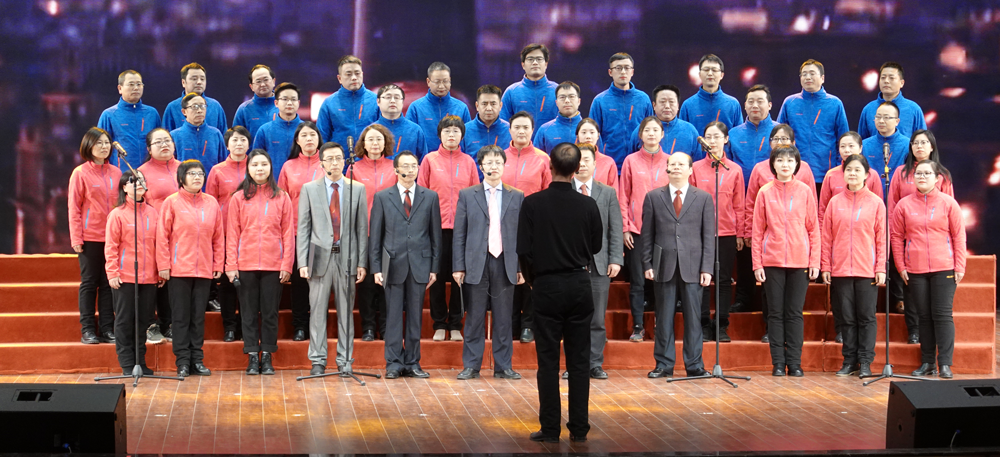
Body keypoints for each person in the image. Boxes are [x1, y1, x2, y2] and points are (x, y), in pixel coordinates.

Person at [517, 142, 602, 443]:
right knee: (579, 361)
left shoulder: (532, 204)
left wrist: (533, 281)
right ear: (577, 169)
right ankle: (579, 428)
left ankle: (550, 428)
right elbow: (595, 247)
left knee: (548, 361)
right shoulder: (588, 205)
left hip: (546, 285)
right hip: (579, 284)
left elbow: (523, 250)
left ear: (549, 166)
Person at [453, 145, 525, 380]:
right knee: (474, 316)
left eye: (498, 162)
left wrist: (521, 266)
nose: (494, 166)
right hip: (476, 261)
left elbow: (522, 234)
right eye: (489, 162)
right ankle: (471, 365)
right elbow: (460, 233)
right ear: (481, 166)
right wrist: (458, 266)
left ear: (504, 166)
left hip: (505, 261)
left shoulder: (517, 195)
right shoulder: (467, 194)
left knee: (504, 317)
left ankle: (503, 366)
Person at [369, 150, 442, 379]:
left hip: (420, 264)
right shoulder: (383, 197)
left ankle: (412, 362)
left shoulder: (430, 197)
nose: (410, 170)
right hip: (392, 264)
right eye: (405, 166)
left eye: (414, 166)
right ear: (396, 170)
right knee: (392, 316)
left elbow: (435, 235)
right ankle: (393, 363)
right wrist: (376, 268)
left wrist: (434, 268)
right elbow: (376, 236)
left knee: (415, 316)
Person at [298, 142, 368, 376]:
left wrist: (361, 262)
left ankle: (345, 359)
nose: (335, 163)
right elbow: (304, 228)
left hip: (347, 257)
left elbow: (361, 229)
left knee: (346, 311)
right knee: (317, 310)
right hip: (319, 258)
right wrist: (303, 262)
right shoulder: (309, 189)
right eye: (330, 159)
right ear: (322, 163)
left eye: (339, 158)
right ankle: (317, 360)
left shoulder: (357, 189)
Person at [642, 152, 714, 378]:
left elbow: (708, 236)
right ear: (666, 168)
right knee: (663, 317)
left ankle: (694, 365)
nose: (676, 167)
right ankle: (663, 364)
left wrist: (707, 268)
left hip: (693, 266)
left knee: (694, 318)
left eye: (681, 164)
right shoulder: (653, 197)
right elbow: (647, 234)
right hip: (664, 265)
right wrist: (647, 263)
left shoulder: (703, 198)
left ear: (691, 170)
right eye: (672, 164)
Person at [891, 160, 965, 379]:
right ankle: (927, 363)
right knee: (923, 316)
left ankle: (945, 364)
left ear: (937, 178)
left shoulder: (948, 203)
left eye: (926, 174)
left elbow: (959, 236)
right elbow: (896, 237)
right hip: (915, 268)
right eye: (918, 174)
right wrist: (901, 265)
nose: (922, 177)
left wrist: (960, 265)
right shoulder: (903, 205)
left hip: (944, 267)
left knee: (942, 315)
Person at [751, 145, 820, 377]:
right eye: (780, 160)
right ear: (773, 164)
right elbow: (757, 231)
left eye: (790, 160)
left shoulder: (805, 191)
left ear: (797, 165)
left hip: (800, 262)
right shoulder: (765, 192)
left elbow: (813, 229)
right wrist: (757, 264)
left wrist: (814, 261)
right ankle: (778, 363)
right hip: (772, 261)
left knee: (794, 313)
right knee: (775, 313)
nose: (785, 164)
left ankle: (795, 363)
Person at [225, 149, 294, 375]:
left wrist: (286, 264)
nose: (260, 169)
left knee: (270, 312)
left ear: (271, 167)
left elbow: (288, 233)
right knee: (248, 312)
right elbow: (232, 234)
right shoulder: (238, 198)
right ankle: (252, 355)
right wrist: (231, 265)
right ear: (248, 169)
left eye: (264, 164)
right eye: (255, 165)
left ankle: (267, 355)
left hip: (274, 265)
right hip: (245, 264)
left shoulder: (282, 197)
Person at [157, 160, 225, 377]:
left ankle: (197, 359)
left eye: (200, 173)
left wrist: (218, 263)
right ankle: (182, 362)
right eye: (192, 173)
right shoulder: (171, 203)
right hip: (178, 270)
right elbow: (162, 237)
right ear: (181, 178)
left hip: (204, 269)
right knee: (180, 317)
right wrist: (163, 265)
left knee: (198, 317)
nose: (197, 177)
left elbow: (218, 236)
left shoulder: (211, 203)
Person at [821, 154, 886, 378]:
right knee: (846, 317)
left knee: (866, 317)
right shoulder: (835, 202)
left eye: (857, 170)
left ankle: (866, 361)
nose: (852, 173)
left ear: (867, 174)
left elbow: (881, 239)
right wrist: (826, 266)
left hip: (867, 269)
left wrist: (880, 267)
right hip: (840, 269)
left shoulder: (876, 203)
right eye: (849, 170)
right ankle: (849, 361)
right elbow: (826, 237)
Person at [887, 130, 955, 344]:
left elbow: (950, 210)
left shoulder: (943, 174)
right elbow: (893, 206)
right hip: (907, 237)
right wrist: (896, 233)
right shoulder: (900, 173)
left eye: (924, 143)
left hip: (935, 243)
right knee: (910, 288)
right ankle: (914, 330)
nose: (919, 146)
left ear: (932, 147)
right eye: (915, 143)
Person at [418, 115, 481, 341]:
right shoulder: (429, 160)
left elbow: (475, 195)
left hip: (462, 230)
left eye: (456, 131)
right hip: (435, 228)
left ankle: (455, 323)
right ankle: (439, 323)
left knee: (459, 278)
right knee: (435, 276)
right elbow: (421, 193)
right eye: (447, 131)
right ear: (439, 135)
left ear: (462, 135)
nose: (451, 135)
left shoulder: (469, 162)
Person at [690, 122, 744, 343]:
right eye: (708, 137)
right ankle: (703, 324)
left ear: (726, 139)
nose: (712, 141)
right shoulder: (695, 168)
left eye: (717, 137)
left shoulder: (735, 170)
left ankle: (721, 324)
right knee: (702, 279)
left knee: (723, 280)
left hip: (726, 233)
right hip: (699, 233)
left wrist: (740, 233)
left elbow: (739, 205)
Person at [573, 143, 623, 379]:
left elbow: (615, 228)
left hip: (600, 263)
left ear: (595, 164)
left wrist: (615, 259)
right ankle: (574, 363)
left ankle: (594, 363)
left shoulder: (607, 192)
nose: (582, 164)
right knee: (572, 318)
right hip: (570, 264)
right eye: (578, 160)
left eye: (587, 160)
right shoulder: (564, 191)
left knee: (597, 318)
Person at [502, 111, 552, 343]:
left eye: (526, 127)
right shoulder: (500, 157)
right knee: (507, 274)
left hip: (534, 227)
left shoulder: (543, 159)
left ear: (533, 130)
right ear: (509, 130)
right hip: (503, 226)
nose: (521, 131)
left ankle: (528, 324)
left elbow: (549, 194)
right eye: (517, 127)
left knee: (530, 275)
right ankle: (510, 322)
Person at [105, 170, 161, 375]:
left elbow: (159, 245)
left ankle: (140, 362)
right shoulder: (117, 214)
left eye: (141, 180)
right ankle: (127, 363)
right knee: (124, 320)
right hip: (125, 276)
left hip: (149, 277)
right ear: (124, 187)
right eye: (133, 181)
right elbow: (111, 246)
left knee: (143, 321)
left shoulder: (153, 213)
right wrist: (112, 272)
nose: (138, 184)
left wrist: (159, 271)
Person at [619, 116, 669, 343]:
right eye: (647, 130)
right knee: (638, 281)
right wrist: (625, 227)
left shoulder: (670, 161)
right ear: (640, 135)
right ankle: (638, 326)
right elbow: (623, 196)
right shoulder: (630, 161)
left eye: (655, 130)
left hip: (663, 231)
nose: (651, 134)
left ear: (662, 134)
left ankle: (661, 325)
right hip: (636, 230)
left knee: (662, 280)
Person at [69, 127, 122, 344]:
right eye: (99, 143)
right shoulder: (80, 173)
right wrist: (76, 238)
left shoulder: (117, 172)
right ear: (88, 146)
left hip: (114, 237)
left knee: (109, 283)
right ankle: (88, 329)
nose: (104, 146)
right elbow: (74, 207)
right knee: (90, 282)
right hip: (90, 236)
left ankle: (108, 328)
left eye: (107, 142)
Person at [347, 123, 397, 340]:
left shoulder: (394, 167)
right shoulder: (353, 169)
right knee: (366, 282)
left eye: (379, 139)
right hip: (364, 232)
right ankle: (368, 326)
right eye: (371, 139)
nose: (375, 143)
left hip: (390, 233)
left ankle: (386, 327)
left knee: (388, 281)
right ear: (363, 144)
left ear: (385, 143)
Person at [277, 121, 325, 342]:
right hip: (296, 232)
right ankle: (299, 326)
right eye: (304, 135)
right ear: (297, 140)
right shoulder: (288, 167)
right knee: (298, 282)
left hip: (322, 233)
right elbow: (281, 201)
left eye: (312, 135)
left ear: (318, 139)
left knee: (319, 281)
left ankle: (318, 325)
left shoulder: (326, 164)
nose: (308, 139)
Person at [729, 84, 774, 314]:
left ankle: (770, 300)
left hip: (771, 200)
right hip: (741, 200)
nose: (755, 105)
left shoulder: (779, 132)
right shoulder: (734, 134)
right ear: (744, 106)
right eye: (750, 101)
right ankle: (744, 297)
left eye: (760, 101)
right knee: (745, 249)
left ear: (770, 105)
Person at [776, 59, 849, 192]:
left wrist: (839, 169)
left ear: (822, 78)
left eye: (812, 73)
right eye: (804, 74)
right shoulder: (790, 102)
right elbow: (778, 138)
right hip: (794, 173)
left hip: (825, 173)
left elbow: (844, 139)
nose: (807, 77)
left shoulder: (835, 103)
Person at [137, 128, 181, 343]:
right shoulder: (141, 172)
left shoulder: (184, 168)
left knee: (173, 280)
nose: (164, 145)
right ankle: (150, 324)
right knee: (156, 278)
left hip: (182, 235)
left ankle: (169, 323)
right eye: (158, 142)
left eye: (167, 141)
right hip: (153, 234)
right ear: (149, 148)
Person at [206, 126, 250, 342]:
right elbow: (210, 203)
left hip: (250, 234)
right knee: (227, 283)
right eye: (234, 140)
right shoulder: (217, 171)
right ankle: (230, 327)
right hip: (224, 233)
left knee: (247, 284)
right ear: (227, 145)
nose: (239, 143)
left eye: (243, 140)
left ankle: (245, 326)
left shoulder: (257, 166)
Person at [589, 52, 654, 169]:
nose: (623, 72)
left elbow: (652, 131)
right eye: (618, 68)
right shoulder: (600, 101)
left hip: (639, 166)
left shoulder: (643, 99)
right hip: (609, 165)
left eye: (627, 68)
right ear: (610, 72)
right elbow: (592, 135)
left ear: (632, 72)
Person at [818, 132, 884, 231]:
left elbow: (879, 210)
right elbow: (823, 210)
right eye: (842, 146)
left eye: (851, 146)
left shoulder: (872, 175)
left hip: (865, 231)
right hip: (838, 231)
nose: (847, 150)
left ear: (860, 148)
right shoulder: (831, 175)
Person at [98, 69, 161, 171]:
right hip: (120, 173)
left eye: (139, 84)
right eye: (131, 84)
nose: (136, 88)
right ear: (120, 88)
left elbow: (160, 142)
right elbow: (100, 147)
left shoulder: (152, 113)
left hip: (151, 172)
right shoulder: (109, 115)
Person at [316, 55, 379, 150]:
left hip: (369, 157)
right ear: (339, 78)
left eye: (357, 73)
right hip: (338, 158)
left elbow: (385, 134)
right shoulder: (329, 103)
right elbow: (322, 138)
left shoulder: (376, 101)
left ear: (362, 74)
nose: (354, 78)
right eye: (348, 74)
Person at [406, 62, 472, 151]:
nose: (441, 86)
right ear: (428, 82)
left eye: (445, 81)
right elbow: (409, 141)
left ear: (450, 81)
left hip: (455, 159)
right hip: (424, 159)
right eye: (437, 82)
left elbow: (468, 141)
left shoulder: (461, 107)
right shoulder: (416, 108)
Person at [499, 43, 559, 134]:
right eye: (530, 59)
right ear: (523, 65)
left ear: (546, 64)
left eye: (539, 59)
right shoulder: (511, 92)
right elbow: (502, 126)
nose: (535, 63)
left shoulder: (558, 92)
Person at [858, 62, 926, 140]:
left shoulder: (913, 109)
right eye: (883, 77)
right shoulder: (868, 109)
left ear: (902, 83)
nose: (886, 81)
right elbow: (861, 143)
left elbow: (923, 141)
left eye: (891, 78)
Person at [678, 54, 743, 135]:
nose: (710, 73)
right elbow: (683, 136)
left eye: (714, 70)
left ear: (722, 75)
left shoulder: (733, 104)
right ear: (699, 74)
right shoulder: (688, 105)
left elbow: (739, 136)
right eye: (706, 70)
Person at [630, 85, 698, 158]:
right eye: (662, 102)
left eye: (671, 102)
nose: (667, 106)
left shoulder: (690, 130)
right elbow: (632, 158)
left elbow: (697, 161)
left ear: (678, 106)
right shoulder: (642, 129)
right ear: (654, 105)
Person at [252, 82, 304, 178]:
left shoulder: (307, 130)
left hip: (301, 184)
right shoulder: (265, 130)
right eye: (285, 99)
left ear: (298, 103)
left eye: (293, 99)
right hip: (272, 184)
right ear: (276, 103)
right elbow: (256, 161)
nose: (289, 103)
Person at [170, 92, 227, 176]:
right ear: (184, 111)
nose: (199, 111)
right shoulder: (174, 136)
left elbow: (223, 164)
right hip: (184, 182)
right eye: (194, 107)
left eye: (202, 106)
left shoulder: (215, 134)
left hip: (211, 182)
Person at [162, 63, 228, 133]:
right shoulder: (173, 107)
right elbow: (166, 136)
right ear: (183, 82)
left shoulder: (215, 106)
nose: (199, 82)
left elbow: (224, 135)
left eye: (202, 79)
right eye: (194, 79)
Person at [861, 101, 910, 187]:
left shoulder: (908, 145)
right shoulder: (864, 145)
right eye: (878, 117)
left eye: (886, 117)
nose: (881, 121)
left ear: (897, 121)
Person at [373, 84, 429, 159]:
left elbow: (423, 161)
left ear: (402, 102)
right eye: (388, 97)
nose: (392, 101)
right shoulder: (371, 131)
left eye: (397, 98)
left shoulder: (415, 130)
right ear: (378, 101)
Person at [461, 85, 511, 162]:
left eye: (493, 104)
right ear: (477, 106)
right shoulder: (464, 131)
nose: (489, 108)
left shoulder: (510, 130)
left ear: (500, 106)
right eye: (484, 104)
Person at [533, 81, 583, 153]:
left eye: (571, 96)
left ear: (579, 101)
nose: (567, 101)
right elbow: (536, 157)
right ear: (556, 102)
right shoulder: (544, 130)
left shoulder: (589, 129)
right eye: (562, 97)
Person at [233, 64, 279, 139]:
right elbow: (236, 139)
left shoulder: (283, 106)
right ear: (251, 87)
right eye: (258, 81)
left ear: (273, 81)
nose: (263, 84)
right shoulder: (244, 109)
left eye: (266, 80)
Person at [575, 118, 618, 188]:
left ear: (598, 136)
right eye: (584, 132)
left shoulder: (609, 162)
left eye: (592, 132)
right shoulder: (570, 160)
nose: (588, 137)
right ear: (577, 136)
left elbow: (614, 191)